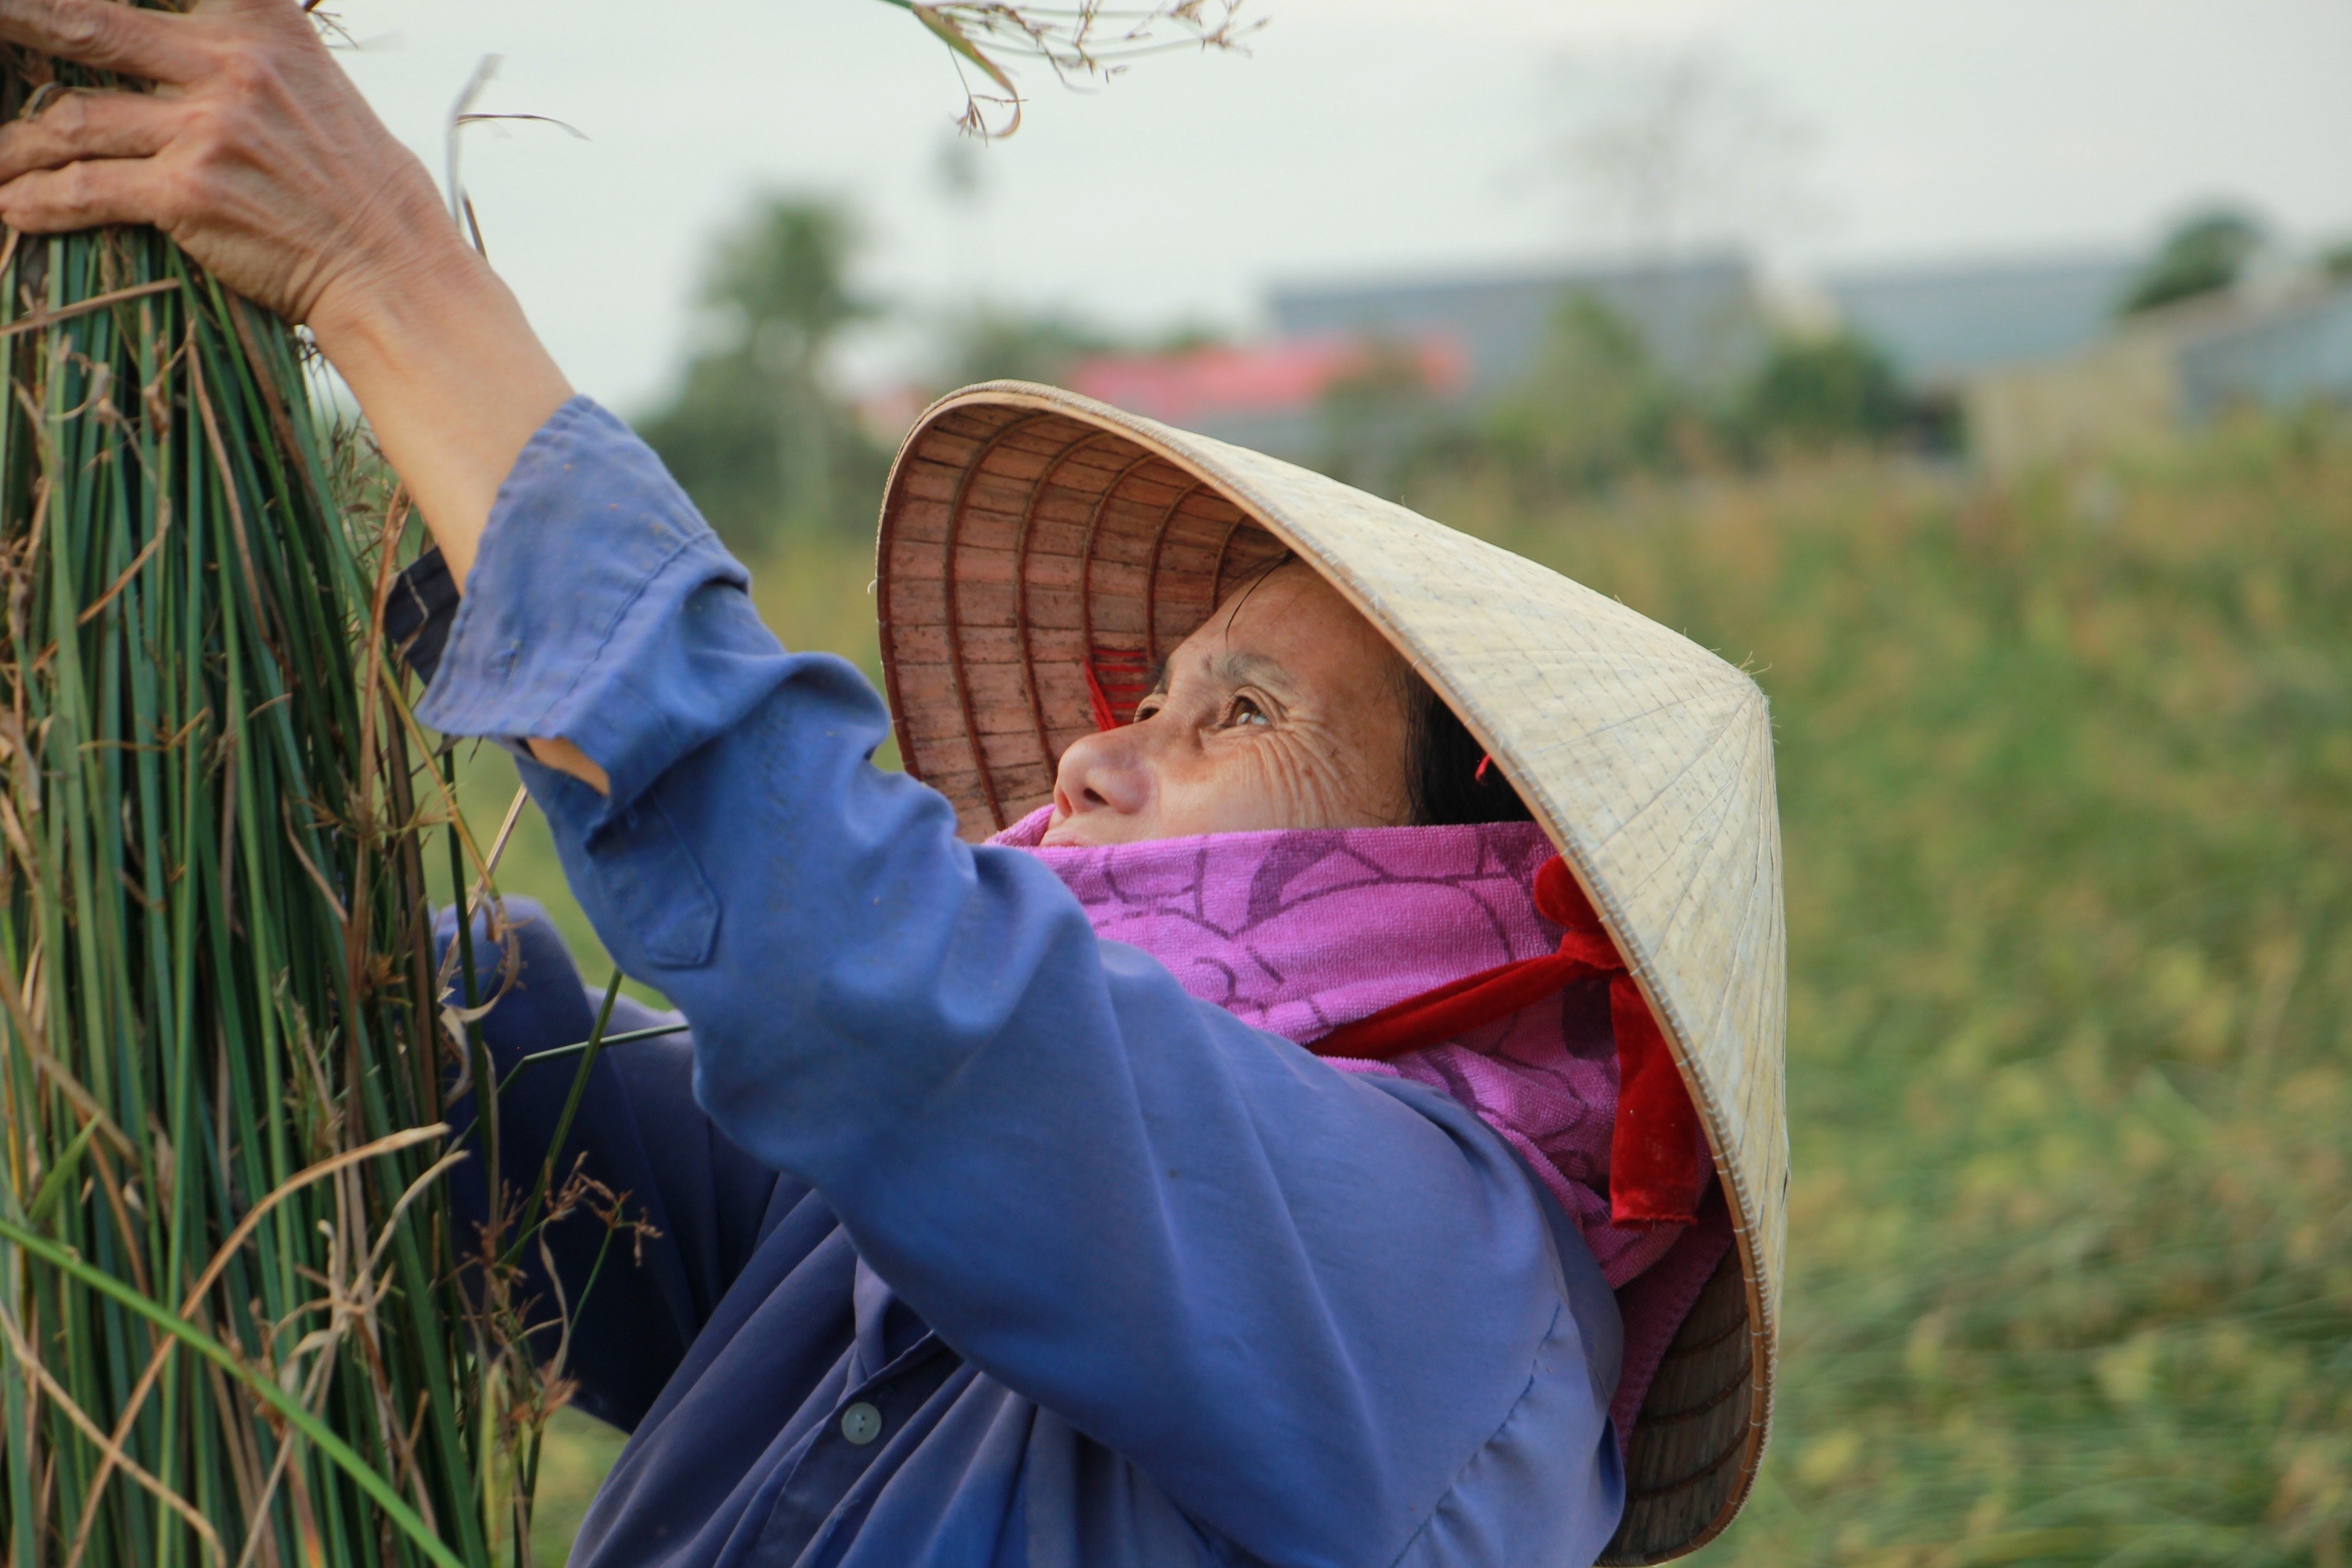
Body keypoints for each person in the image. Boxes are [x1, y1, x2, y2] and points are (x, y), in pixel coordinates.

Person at [0, 4, 1789, 1565]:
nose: (1092, 755)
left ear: (1456, 892)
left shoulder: (1446, 1288)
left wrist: (386, 267)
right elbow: (527, 1096)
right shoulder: (976, 1174)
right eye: (1149, 696)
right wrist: (156, 814)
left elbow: (870, 968)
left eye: (1236, 717)